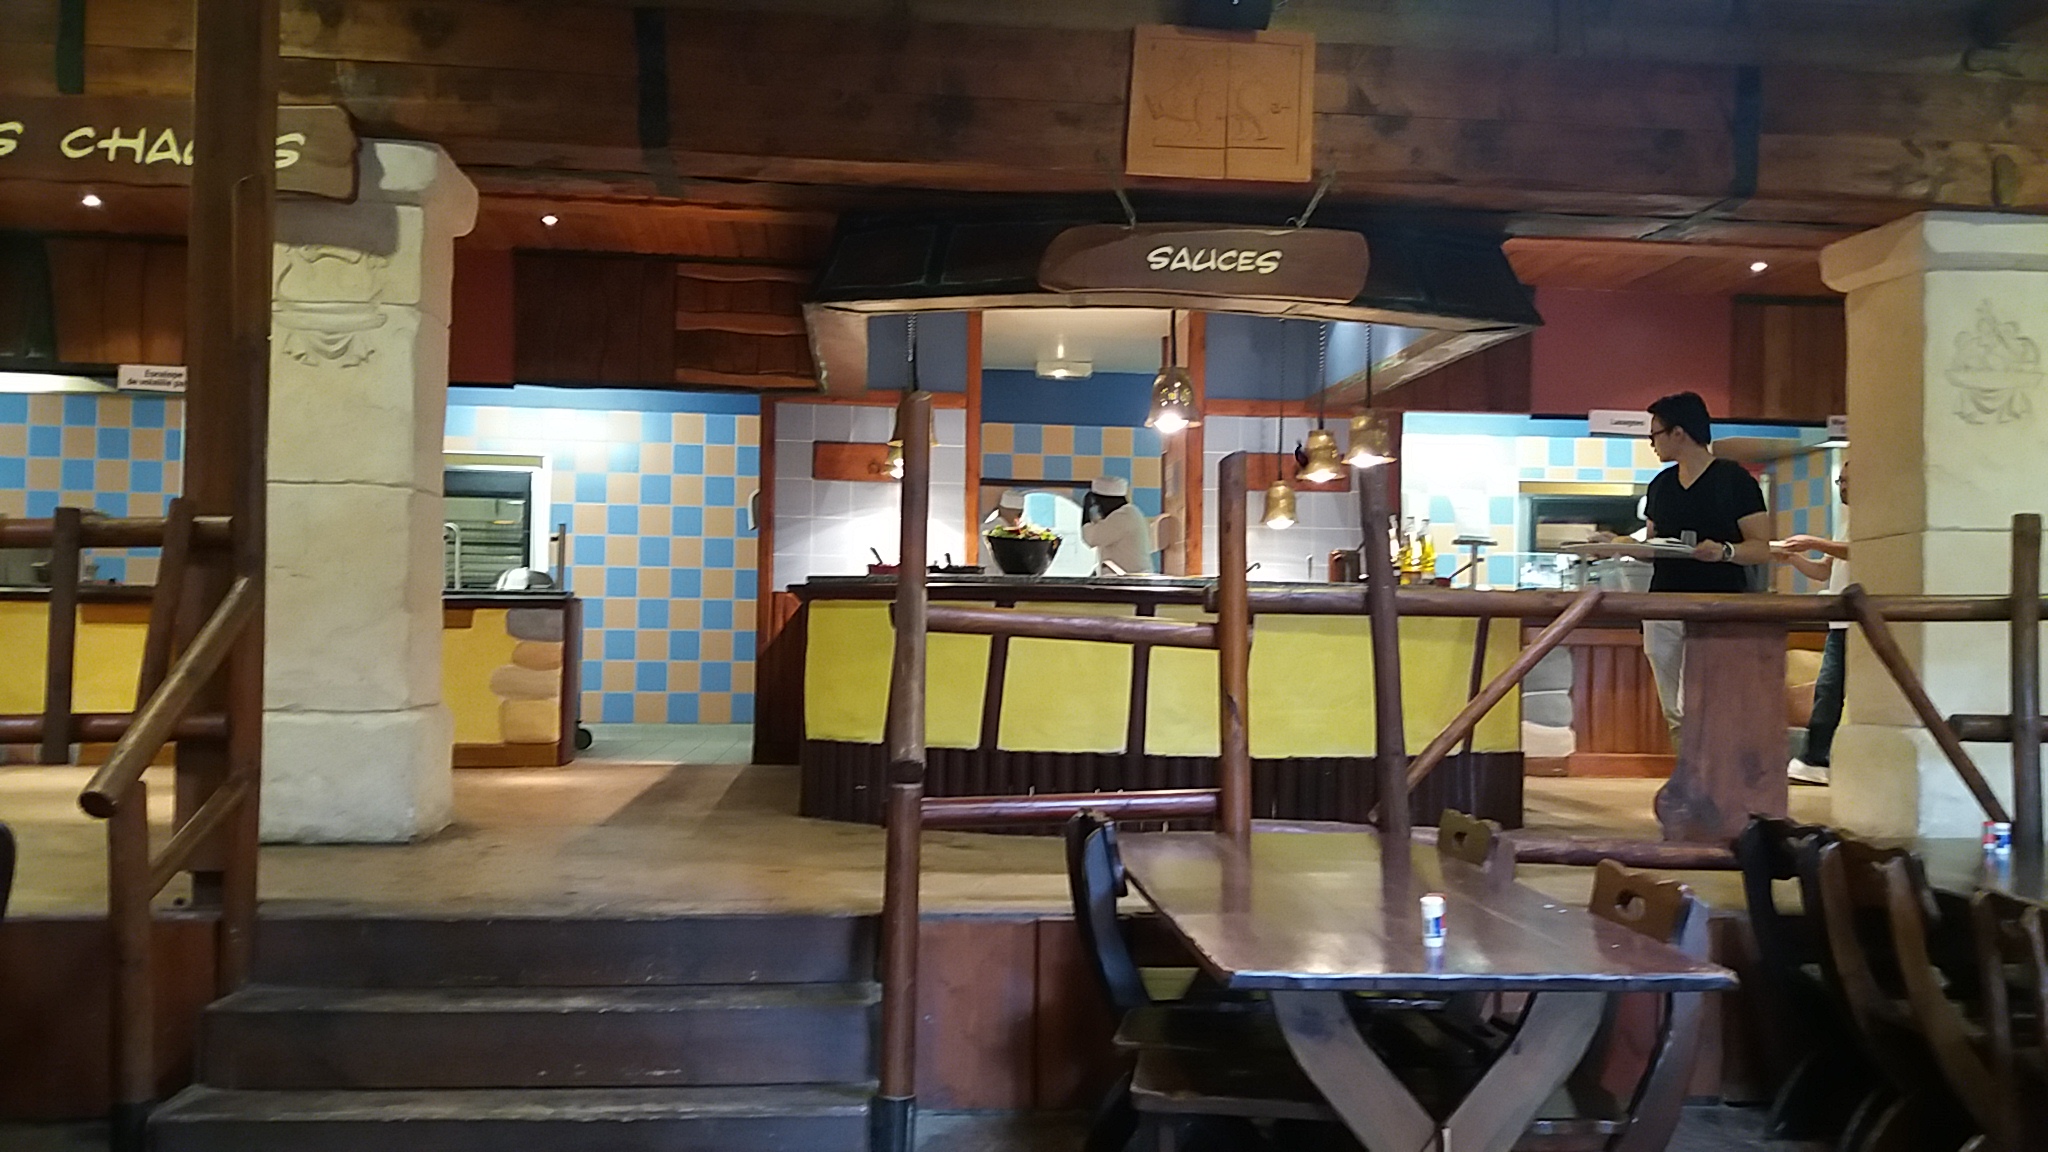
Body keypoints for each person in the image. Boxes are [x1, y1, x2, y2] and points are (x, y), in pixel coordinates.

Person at [1640, 391, 1773, 749]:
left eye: (1655, 434)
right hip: (1662, 606)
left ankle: (1710, 772)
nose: (1652, 443)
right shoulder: (1660, 486)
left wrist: (1725, 551)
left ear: (1678, 433)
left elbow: (1761, 548)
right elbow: (1653, 547)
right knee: (1674, 708)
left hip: (1717, 607)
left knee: (1701, 703)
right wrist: (1620, 544)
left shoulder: (1734, 480)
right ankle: (1689, 771)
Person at [1774, 461, 1850, 784]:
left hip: (1859, 621)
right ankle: (1816, 758)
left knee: (1832, 690)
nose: (1843, 486)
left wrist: (1815, 542)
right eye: (1840, 480)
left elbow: (1858, 551)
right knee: (1828, 690)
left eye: (1848, 480)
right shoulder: (1846, 521)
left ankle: (1817, 757)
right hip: (1840, 622)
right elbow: (1823, 571)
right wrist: (1792, 556)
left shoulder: (1877, 520)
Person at [1080, 475, 1156, 575]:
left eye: (1098, 503)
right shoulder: (1126, 514)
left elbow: (1092, 538)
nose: (1098, 508)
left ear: (1108, 500)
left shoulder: (1124, 516)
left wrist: (1086, 509)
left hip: (1132, 579)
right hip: (1126, 578)